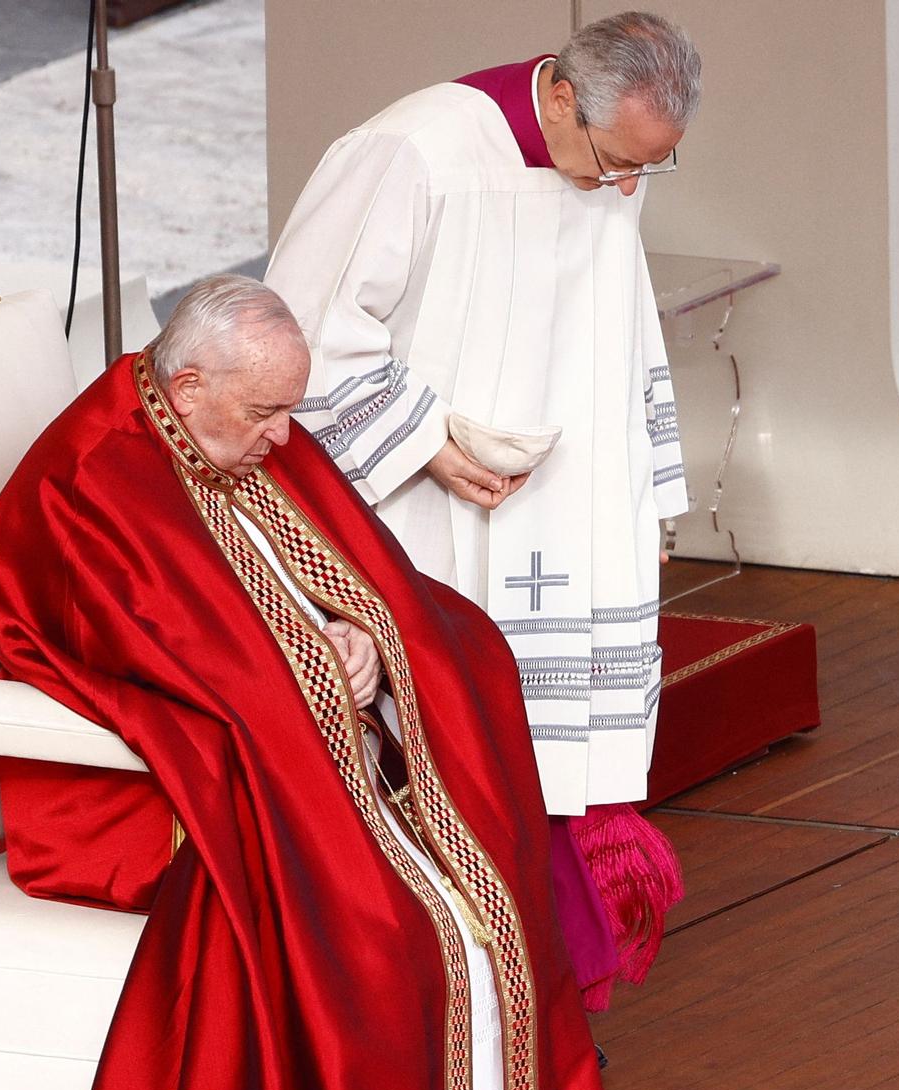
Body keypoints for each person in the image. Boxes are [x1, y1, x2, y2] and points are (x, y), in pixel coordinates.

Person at [0, 276, 674, 1090]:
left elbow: (374, 584)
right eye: (263, 415)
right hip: (185, 797)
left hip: (333, 761)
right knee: (421, 936)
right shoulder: (90, 486)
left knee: (493, 907)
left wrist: (368, 639)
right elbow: (162, 665)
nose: (284, 438)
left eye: (290, 412)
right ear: (186, 379)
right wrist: (311, 672)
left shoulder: (241, 424)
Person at [265, 13, 699, 1012]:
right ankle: (464, 1004)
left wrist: (642, 488)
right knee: (468, 760)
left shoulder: (603, 159)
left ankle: (542, 1011)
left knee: (563, 766)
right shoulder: (412, 154)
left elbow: (617, 327)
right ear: (558, 98)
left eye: (652, 167)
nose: (627, 187)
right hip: (435, 513)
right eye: (616, 161)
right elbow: (301, 324)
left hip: (567, 504)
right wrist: (423, 443)